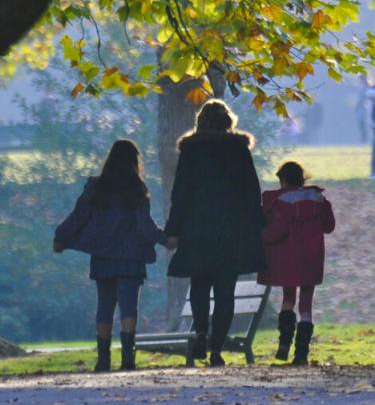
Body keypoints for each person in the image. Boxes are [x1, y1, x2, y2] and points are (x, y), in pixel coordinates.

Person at [53, 139, 173, 373]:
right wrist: (164, 240)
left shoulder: (96, 188)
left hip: (103, 256)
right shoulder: (137, 190)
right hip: (130, 258)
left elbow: (79, 215)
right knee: (129, 307)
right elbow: (144, 225)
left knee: (104, 306)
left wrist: (61, 237)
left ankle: (103, 359)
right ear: (134, 162)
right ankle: (128, 358)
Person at [164, 99, 265, 367]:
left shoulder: (191, 151)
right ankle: (217, 347)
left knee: (199, 285)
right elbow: (251, 193)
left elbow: (180, 195)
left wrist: (173, 230)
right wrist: (257, 228)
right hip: (231, 232)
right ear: (228, 122)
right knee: (224, 291)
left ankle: (200, 331)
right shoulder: (239, 151)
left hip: (198, 229)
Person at [258, 161, 335, 366]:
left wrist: (260, 237)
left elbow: (278, 230)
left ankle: (284, 344)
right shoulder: (318, 199)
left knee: (288, 299)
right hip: (312, 258)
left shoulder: (280, 201)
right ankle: (301, 353)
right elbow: (329, 226)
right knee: (306, 305)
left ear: (283, 180)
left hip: (288, 258)